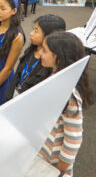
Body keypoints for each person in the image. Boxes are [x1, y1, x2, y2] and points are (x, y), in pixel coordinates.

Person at [38, 32, 93, 177]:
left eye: (44, 50)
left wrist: (60, 169)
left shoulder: (70, 96)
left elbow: (74, 139)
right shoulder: (54, 76)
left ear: (59, 57)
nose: (39, 53)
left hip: (54, 165)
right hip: (42, 155)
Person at [5, 15, 66, 100]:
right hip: (14, 97)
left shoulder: (49, 64)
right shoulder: (30, 51)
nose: (31, 33)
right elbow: (17, 75)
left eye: (36, 31)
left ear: (49, 35)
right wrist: (8, 96)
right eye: (33, 29)